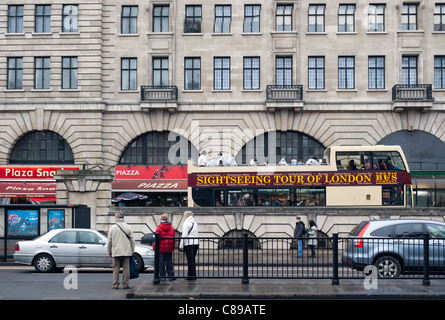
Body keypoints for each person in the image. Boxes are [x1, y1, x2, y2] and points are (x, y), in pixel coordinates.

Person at [107, 211, 135, 289]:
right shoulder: (128, 227)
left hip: (116, 250)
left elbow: (109, 241)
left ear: (116, 217)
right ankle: (125, 284)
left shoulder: (112, 228)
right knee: (126, 267)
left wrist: (109, 251)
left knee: (116, 267)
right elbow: (132, 241)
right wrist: (132, 250)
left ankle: (115, 284)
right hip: (126, 250)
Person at [154, 214, 176, 281]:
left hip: (161, 248)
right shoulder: (171, 228)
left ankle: (162, 276)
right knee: (169, 262)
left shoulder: (159, 228)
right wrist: (172, 247)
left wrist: (154, 248)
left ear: (161, 219)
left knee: (161, 262)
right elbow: (173, 239)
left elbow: (156, 239)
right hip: (169, 248)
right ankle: (170, 275)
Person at [179, 210, 199, 280]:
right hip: (196, 243)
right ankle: (193, 274)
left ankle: (190, 275)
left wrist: (181, 246)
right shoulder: (195, 223)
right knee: (192, 259)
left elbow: (184, 235)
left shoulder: (186, 223)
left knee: (189, 260)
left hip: (189, 244)